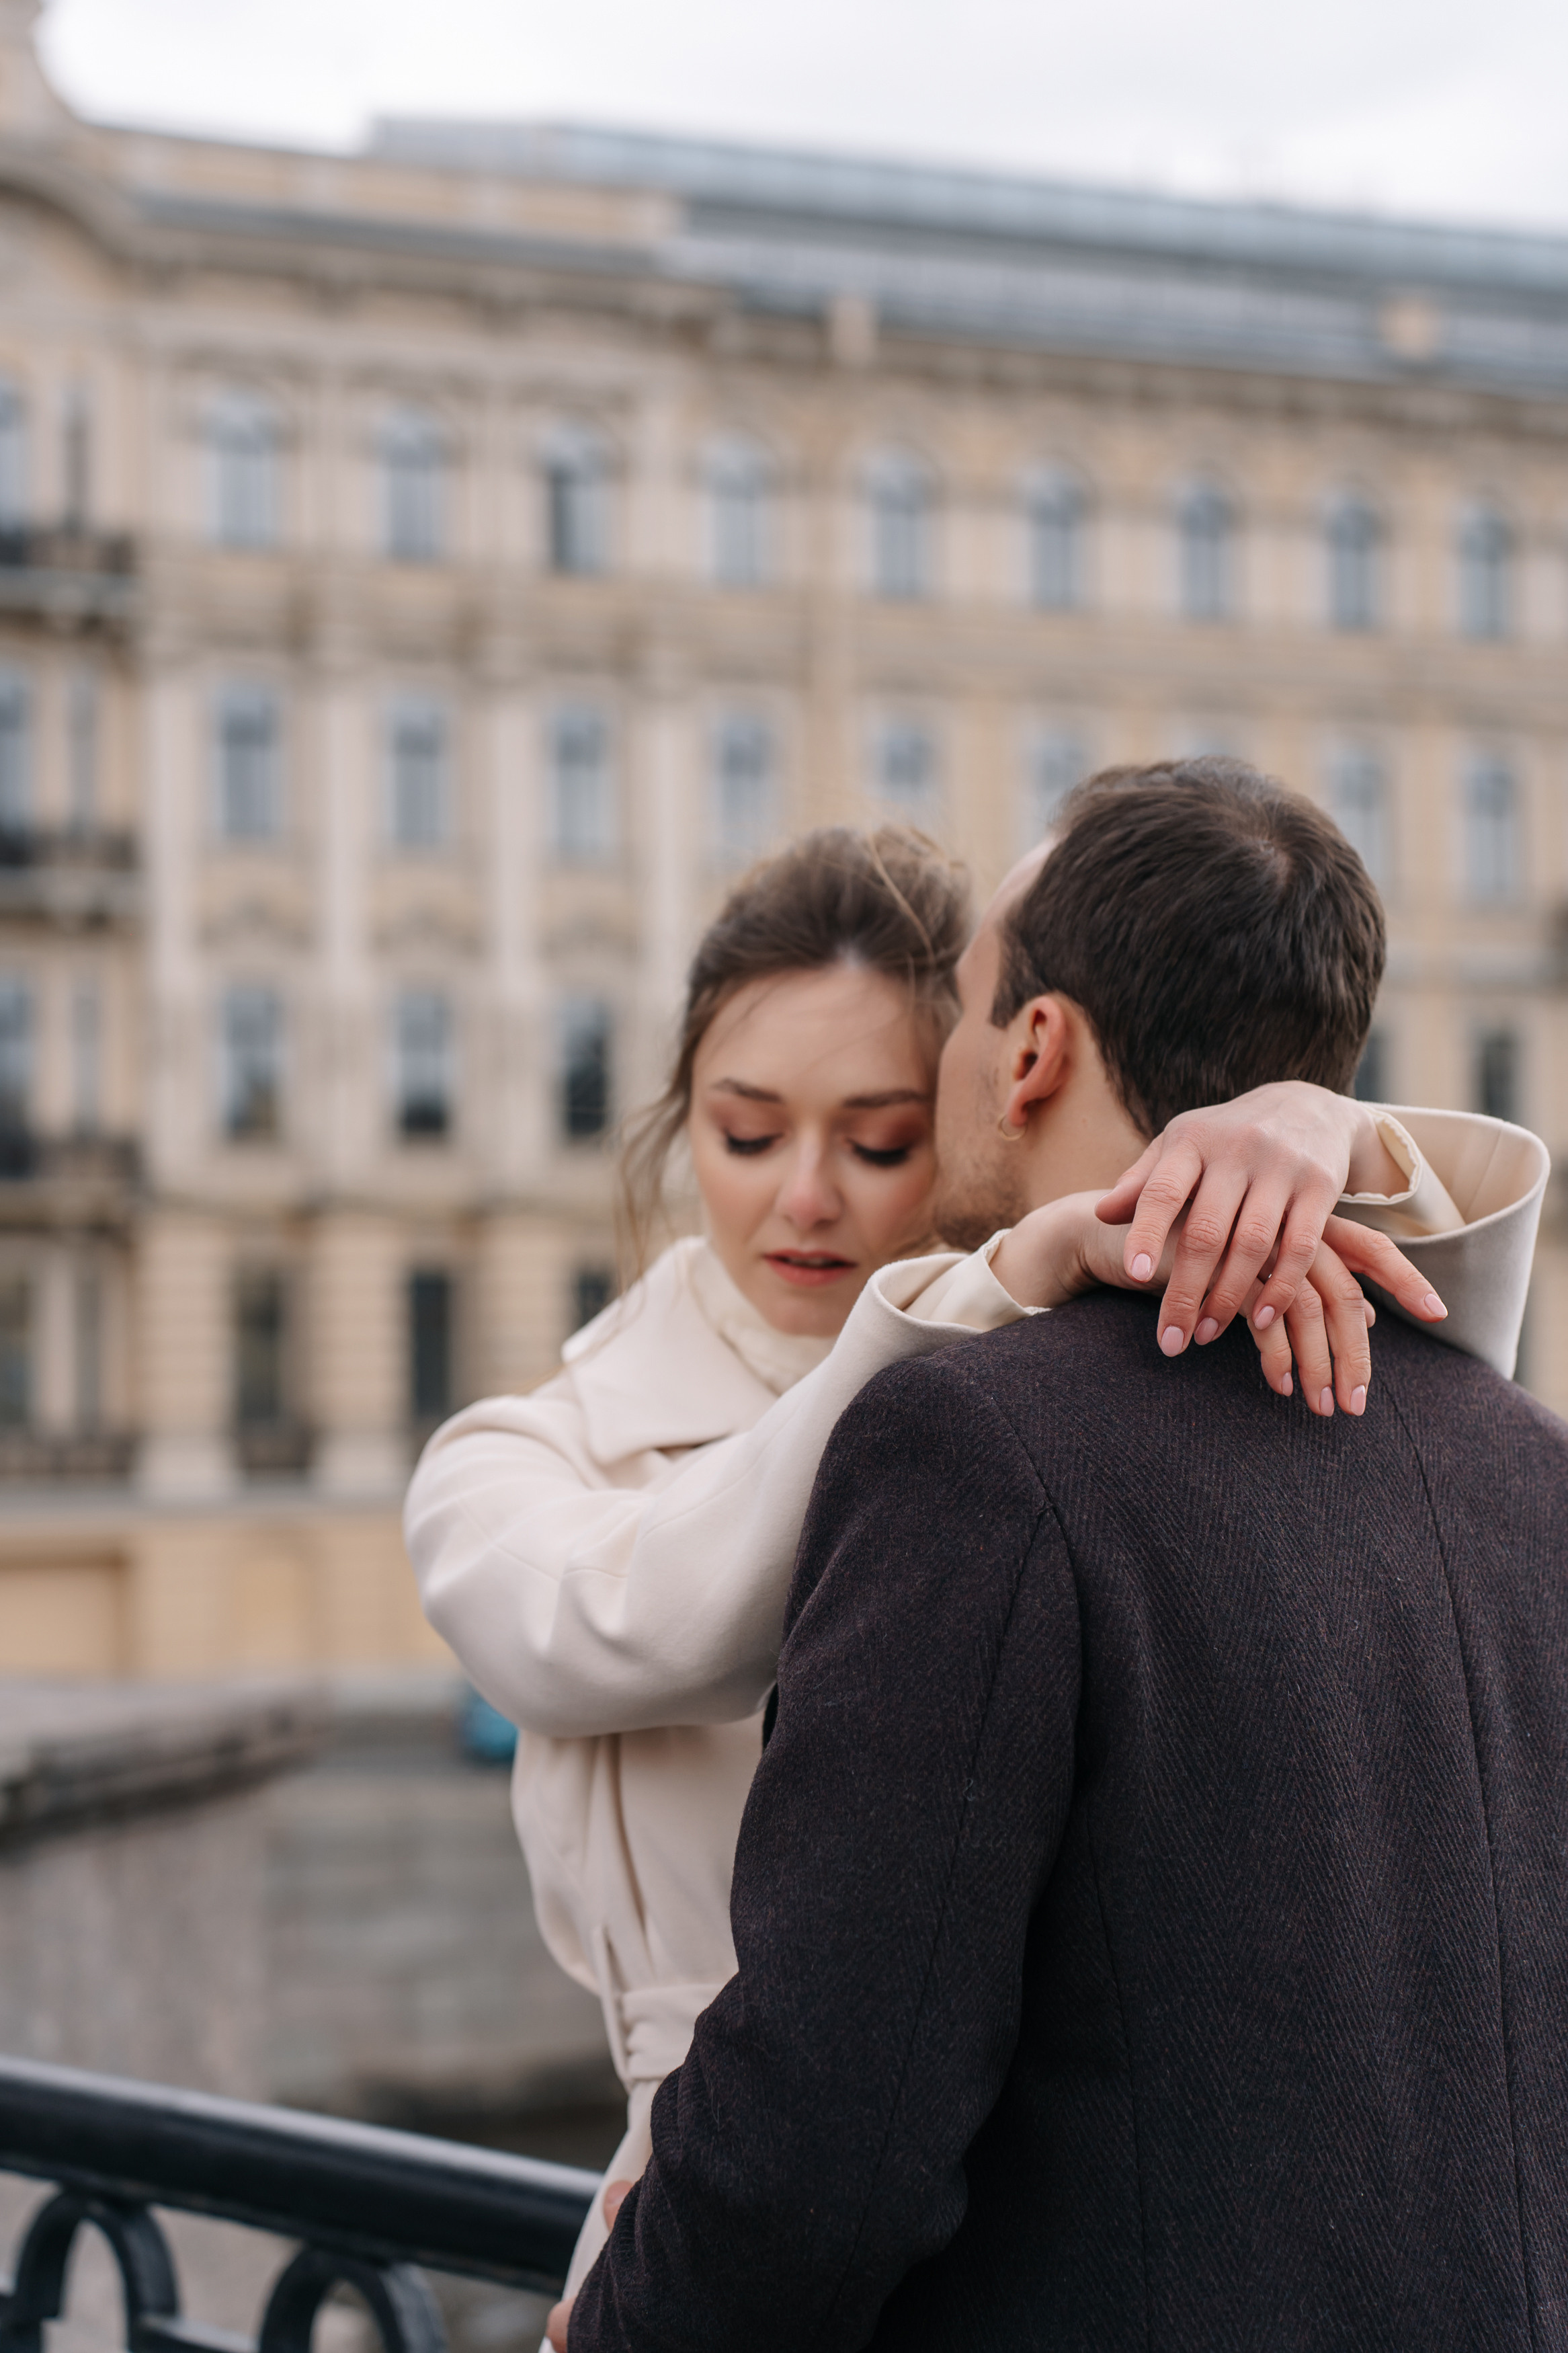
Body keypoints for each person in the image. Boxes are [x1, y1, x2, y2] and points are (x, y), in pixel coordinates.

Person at [403, 815, 1542, 2301]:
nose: (805, 1195)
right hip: (698, 2244)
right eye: (745, 1132)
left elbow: (1427, 1445)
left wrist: (1319, 1131)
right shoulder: (524, 1453)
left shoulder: (1027, 1420)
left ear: (1001, 1075)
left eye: (882, 1137)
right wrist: (990, 1284)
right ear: (680, 1126)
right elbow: (624, 1618)